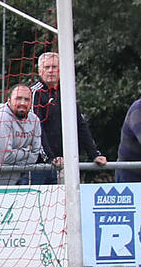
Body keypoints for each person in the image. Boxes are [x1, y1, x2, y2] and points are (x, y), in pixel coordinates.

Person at [30, 51, 107, 184]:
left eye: (54, 67)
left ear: (61, 70)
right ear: (39, 71)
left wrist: (94, 154)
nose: (50, 71)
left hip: (65, 162)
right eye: (46, 67)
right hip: (40, 164)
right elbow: (36, 128)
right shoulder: (35, 93)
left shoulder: (67, 91)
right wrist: (50, 158)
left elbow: (79, 123)